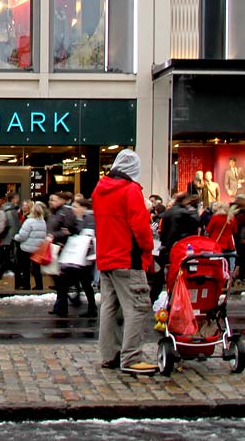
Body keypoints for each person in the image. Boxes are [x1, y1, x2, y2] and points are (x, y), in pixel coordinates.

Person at [92, 148, 157, 375]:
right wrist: (148, 252)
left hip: (106, 257)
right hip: (127, 258)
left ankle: (110, 354)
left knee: (109, 307)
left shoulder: (100, 190)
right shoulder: (130, 191)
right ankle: (131, 357)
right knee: (137, 307)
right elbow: (141, 229)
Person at [14, 202, 48, 291]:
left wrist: (15, 237)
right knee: (36, 268)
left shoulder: (29, 221)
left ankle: (26, 285)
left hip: (26, 248)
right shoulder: (43, 221)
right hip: (38, 248)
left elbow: (22, 236)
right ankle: (39, 285)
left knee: (25, 268)